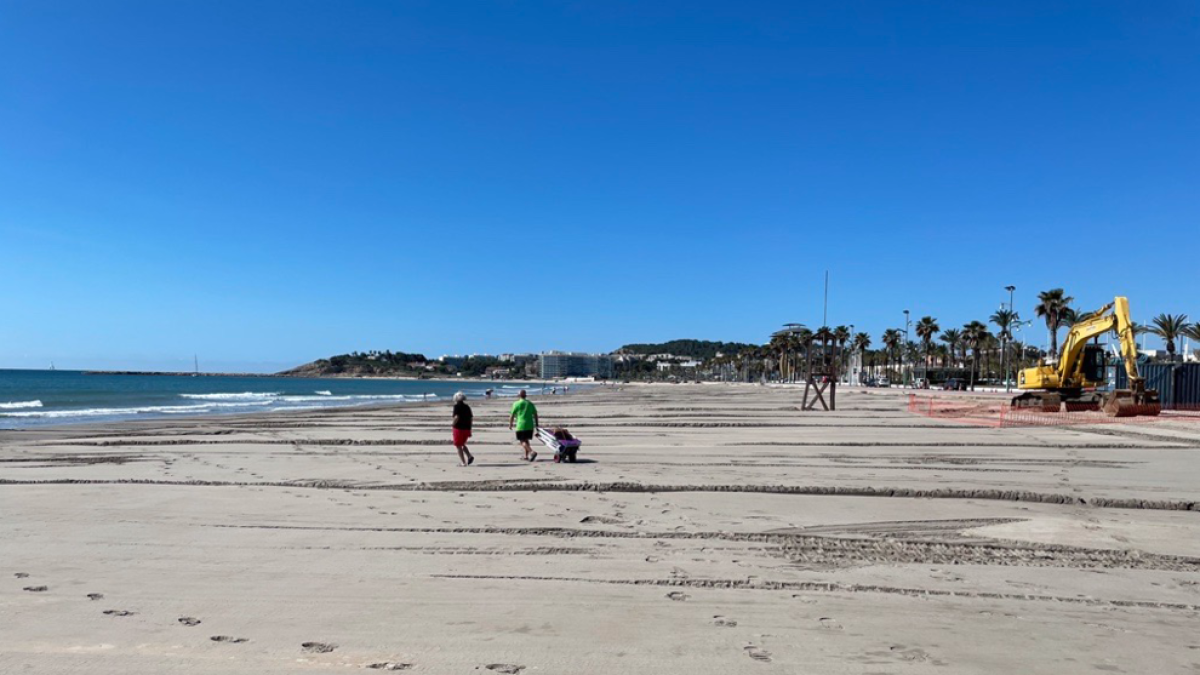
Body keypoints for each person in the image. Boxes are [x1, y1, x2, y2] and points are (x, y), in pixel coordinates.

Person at [509, 389, 539, 461]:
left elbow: (512, 415)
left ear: (519, 395)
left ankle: (532, 452)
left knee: (522, 441)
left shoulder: (516, 404)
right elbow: (535, 414)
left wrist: (510, 424)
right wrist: (537, 424)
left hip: (521, 425)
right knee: (526, 441)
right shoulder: (530, 403)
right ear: (525, 395)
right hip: (529, 425)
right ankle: (526, 456)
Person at [451, 392, 474, 466]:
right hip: (467, 428)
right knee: (462, 444)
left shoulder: (456, 406)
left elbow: (457, 417)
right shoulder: (467, 407)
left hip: (458, 428)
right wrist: (470, 429)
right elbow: (471, 419)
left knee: (458, 445)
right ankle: (469, 456)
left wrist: (453, 424)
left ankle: (463, 462)